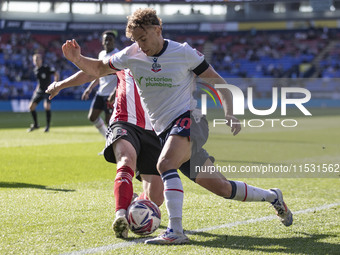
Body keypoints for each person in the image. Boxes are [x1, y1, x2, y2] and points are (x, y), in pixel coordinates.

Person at [49, 8, 293, 245]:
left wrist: (229, 112)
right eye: (136, 40)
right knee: (222, 187)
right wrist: (77, 59)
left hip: (190, 120)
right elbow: (98, 69)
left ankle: (175, 230)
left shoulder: (184, 53)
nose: (141, 45)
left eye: (143, 38)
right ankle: (273, 196)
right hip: (166, 133)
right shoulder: (131, 54)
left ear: (158, 29)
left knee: (164, 164)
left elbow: (219, 83)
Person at [47, 69, 164, 239]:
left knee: (156, 198)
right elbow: (92, 70)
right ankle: (121, 216)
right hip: (124, 121)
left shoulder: (166, 59)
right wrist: (60, 85)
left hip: (153, 129)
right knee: (125, 160)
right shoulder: (126, 57)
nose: (142, 43)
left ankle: (133, 201)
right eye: (140, 40)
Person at [81, 30, 119, 138]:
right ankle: (107, 139)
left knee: (109, 121)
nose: (107, 42)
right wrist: (89, 88)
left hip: (111, 94)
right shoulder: (101, 54)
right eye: (105, 40)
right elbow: (98, 74)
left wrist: (115, 91)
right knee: (92, 117)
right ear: (102, 42)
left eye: (110, 40)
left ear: (114, 42)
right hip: (101, 92)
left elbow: (123, 77)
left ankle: (111, 144)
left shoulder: (118, 55)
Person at [28, 53, 59, 132]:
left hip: (47, 90)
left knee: (47, 107)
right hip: (39, 90)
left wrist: (55, 84)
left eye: (38, 59)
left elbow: (56, 73)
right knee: (31, 107)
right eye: (35, 60)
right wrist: (36, 90)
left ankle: (47, 126)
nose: (36, 61)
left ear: (41, 60)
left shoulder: (46, 68)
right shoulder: (35, 70)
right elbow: (40, 82)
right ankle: (36, 125)